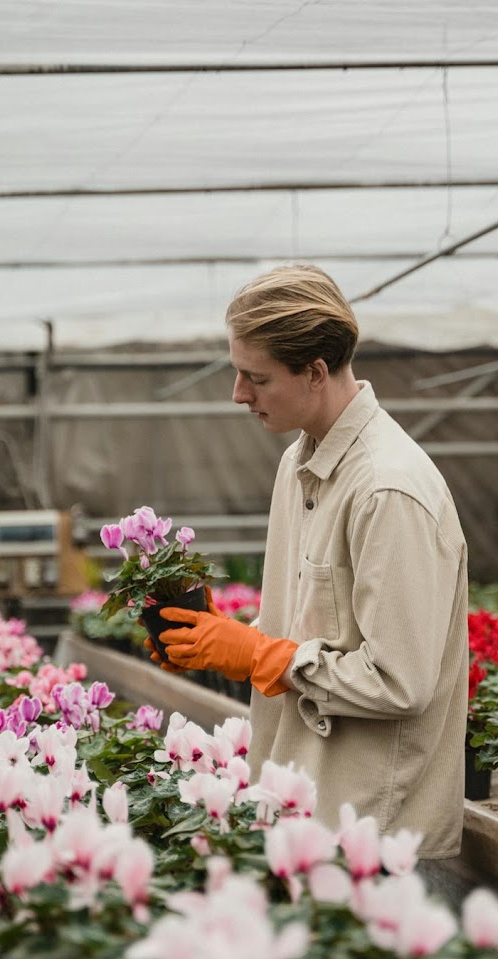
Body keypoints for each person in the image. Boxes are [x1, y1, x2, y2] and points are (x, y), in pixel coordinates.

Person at [152, 264, 470, 859]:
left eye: (256, 377)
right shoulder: (301, 462)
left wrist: (260, 656)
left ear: (315, 372)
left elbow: (401, 683)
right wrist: (220, 640)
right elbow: (316, 632)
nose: (239, 394)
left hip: (375, 837)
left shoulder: (387, 490)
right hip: (304, 809)